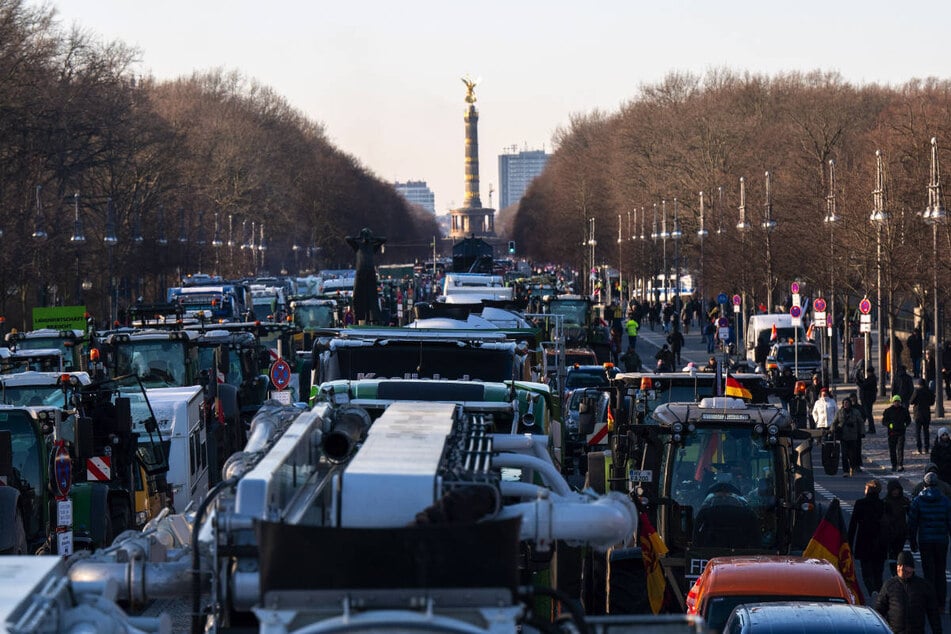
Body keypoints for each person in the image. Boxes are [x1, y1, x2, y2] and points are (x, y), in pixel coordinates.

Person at [908, 471, 951, 614]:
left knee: (928, 573)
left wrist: (912, 540)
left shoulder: (918, 501)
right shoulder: (944, 500)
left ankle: (930, 602)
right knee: (940, 572)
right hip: (941, 540)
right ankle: (941, 604)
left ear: (924, 484)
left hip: (925, 540)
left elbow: (913, 523)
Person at [874, 550, 942, 634]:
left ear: (912, 568)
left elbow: (933, 614)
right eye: (899, 565)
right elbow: (878, 612)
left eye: (905, 566)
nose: (902, 568)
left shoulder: (924, 586)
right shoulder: (889, 585)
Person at [848, 479, 886, 598]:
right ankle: (880, 594)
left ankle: (872, 591)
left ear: (867, 490)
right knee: (878, 572)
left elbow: (853, 524)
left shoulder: (860, 503)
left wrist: (849, 543)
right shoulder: (883, 504)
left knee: (866, 572)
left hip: (864, 541)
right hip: (880, 542)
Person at [883, 479, 911, 575]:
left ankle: (898, 572)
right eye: (893, 490)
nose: (895, 492)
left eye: (897, 490)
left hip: (901, 532)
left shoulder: (904, 501)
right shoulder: (885, 501)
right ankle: (894, 573)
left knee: (899, 552)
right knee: (892, 554)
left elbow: (911, 516)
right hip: (890, 532)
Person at [834, 396, 864, 476]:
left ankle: (852, 467)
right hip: (843, 436)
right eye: (844, 403)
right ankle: (845, 471)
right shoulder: (840, 412)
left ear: (850, 404)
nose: (846, 404)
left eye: (847, 403)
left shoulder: (855, 412)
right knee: (844, 455)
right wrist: (832, 430)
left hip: (853, 436)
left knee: (852, 455)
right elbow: (835, 422)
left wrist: (861, 432)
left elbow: (860, 422)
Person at [884, 395, 912, 472]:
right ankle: (894, 465)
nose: (897, 403)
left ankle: (900, 464)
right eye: (895, 401)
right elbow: (884, 421)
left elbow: (908, 420)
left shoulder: (904, 410)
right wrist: (889, 424)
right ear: (893, 402)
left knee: (900, 449)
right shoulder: (888, 411)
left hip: (901, 432)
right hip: (892, 432)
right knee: (892, 449)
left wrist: (905, 424)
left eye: (898, 401)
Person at [909, 378, 935, 455]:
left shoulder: (917, 391)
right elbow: (932, 402)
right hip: (926, 413)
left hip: (918, 413)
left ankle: (919, 448)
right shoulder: (929, 391)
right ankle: (926, 448)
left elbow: (911, 401)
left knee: (918, 432)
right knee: (926, 431)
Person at [859, 367, 879, 434]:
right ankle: (863, 428)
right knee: (865, 414)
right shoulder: (871, 378)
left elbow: (864, 386)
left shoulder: (872, 379)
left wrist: (859, 383)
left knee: (868, 414)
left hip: (868, 399)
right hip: (867, 399)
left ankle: (871, 428)